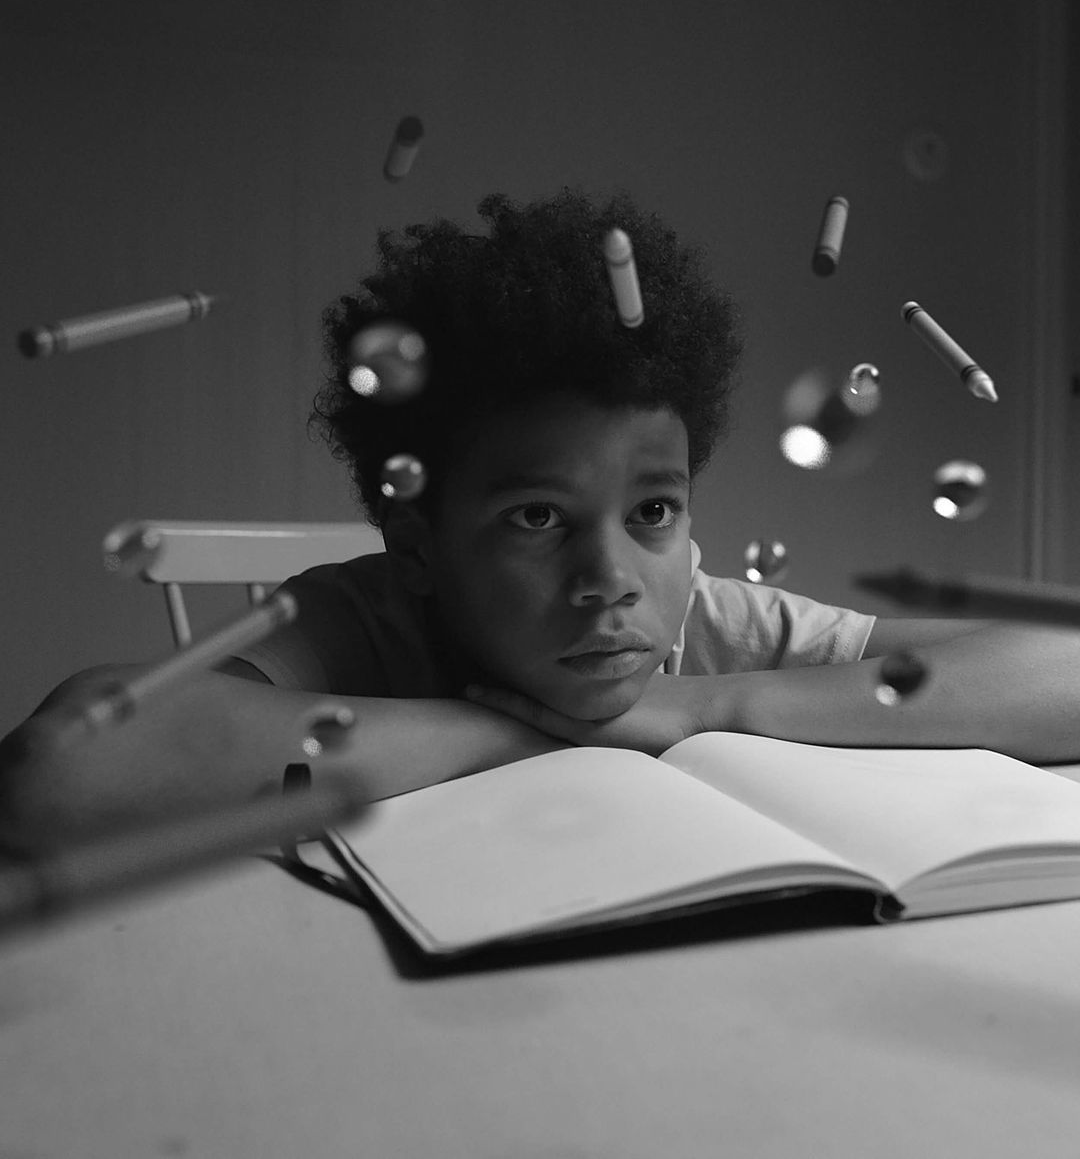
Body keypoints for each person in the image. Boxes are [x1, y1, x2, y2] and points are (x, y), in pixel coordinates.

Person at [2, 188, 1079, 859]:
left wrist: (709, 704)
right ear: (418, 542)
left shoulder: (708, 628)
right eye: (535, 517)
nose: (611, 576)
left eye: (653, 510)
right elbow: (63, 774)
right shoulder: (360, 625)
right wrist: (527, 733)